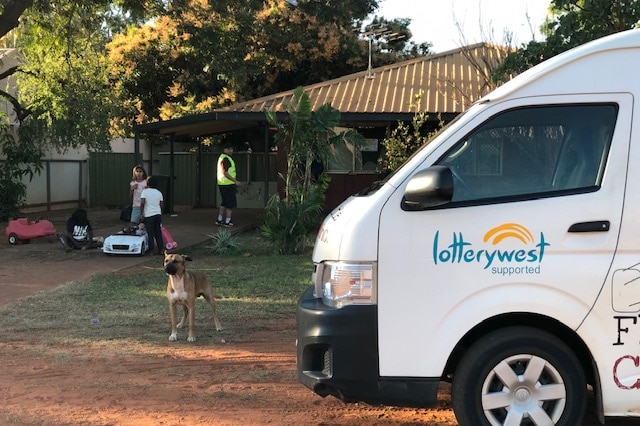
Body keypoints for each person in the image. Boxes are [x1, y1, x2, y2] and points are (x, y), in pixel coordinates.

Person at [216, 143, 241, 227]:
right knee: (230, 204)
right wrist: (235, 181)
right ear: (225, 149)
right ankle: (227, 221)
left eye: (231, 149)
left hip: (223, 184)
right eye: (229, 149)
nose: (231, 151)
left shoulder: (222, 157)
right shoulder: (226, 159)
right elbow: (225, 172)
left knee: (224, 202)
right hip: (228, 184)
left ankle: (219, 219)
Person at [140, 175, 165, 255]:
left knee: (150, 233)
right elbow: (161, 204)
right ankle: (161, 249)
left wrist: (142, 213)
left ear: (147, 183)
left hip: (149, 215)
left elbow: (143, 203)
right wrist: (161, 213)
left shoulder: (144, 192)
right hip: (158, 214)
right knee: (158, 232)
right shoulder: (159, 193)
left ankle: (151, 250)